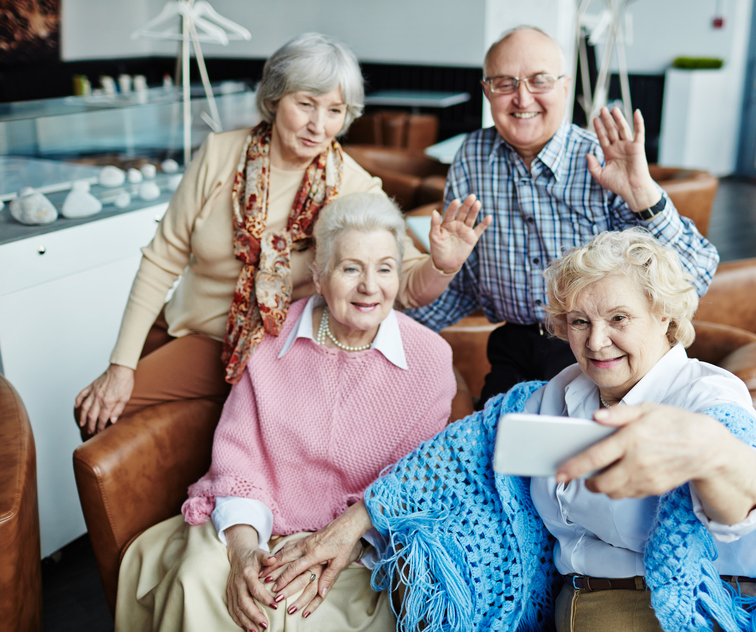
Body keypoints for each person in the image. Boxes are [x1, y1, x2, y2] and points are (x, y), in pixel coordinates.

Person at [365, 229, 756, 632]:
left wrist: (711, 454)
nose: (595, 341)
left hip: (660, 609)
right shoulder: (561, 391)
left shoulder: (708, 397)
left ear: (665, 315)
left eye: (618, 319)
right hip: (566, 603)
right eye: (579, 322)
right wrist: (362, 518)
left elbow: (749, 497)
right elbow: (459, 454)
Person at [75, 32, 488, 436]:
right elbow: (163, 258)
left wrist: (441, 264)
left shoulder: (352, 185)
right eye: (305, 104)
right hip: (181, 323)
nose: (318, 125)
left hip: (263, 346)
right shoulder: (220, 153)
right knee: (92, 409)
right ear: (274, 98)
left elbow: (407, 286)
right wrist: (121, 364)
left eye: (334, 110)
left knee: (105, 418)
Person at [115, 193, 456, 632]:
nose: (370, 286)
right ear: (318, 275)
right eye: (351, 268)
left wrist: (341, 545)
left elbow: (413, 484)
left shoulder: (428, 360)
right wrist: (242, 550)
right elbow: (239, 458)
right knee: (198, 578)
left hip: (353, 544)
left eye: (385, 268)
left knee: (293, 612)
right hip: (249, 519)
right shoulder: (271, 341)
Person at [407, 25, 719, 405]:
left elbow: (696, 274)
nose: (522, 98)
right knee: (495, 449)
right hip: (514, 346)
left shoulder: (603, 157)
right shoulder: (471, 158)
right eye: (505, 83)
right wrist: (389, 330)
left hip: (598, 347)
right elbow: (468, 282)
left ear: (565, 86)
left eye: (539, 81)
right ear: (487, 90)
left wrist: (642, 193)